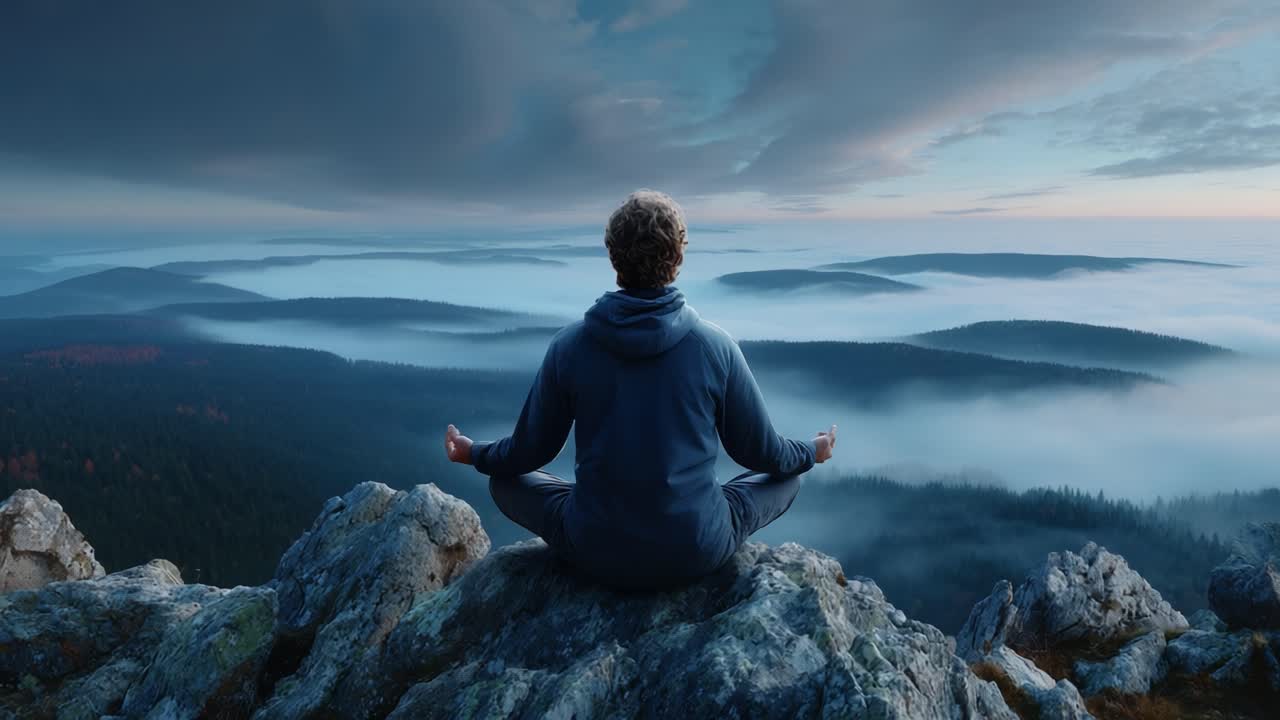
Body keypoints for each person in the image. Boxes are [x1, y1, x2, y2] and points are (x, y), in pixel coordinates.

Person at [444, 190, 836, 589]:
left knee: (504, 481)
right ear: (678, 256)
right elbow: (759, 453)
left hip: (596, 549)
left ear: (613, 255)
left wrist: (473, 453)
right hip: (696, 548)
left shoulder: (570, 346)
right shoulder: (715, 346)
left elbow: (531, 452)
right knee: (788, 477)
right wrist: (811, 451)